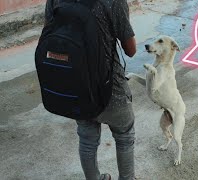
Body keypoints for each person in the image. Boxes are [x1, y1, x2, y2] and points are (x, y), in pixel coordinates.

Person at [44, 0, 137, 179]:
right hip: (111, 88)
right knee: (124, 136)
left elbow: (50, 31)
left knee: (87, 139)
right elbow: (131, 50)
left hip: (77, 85)